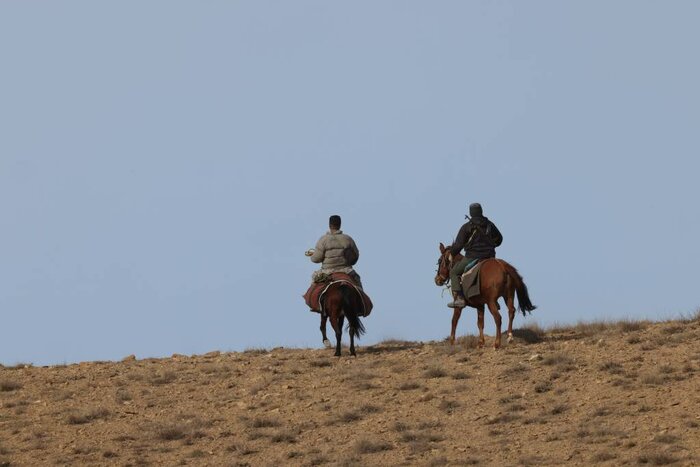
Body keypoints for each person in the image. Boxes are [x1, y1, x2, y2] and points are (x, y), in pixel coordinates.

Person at [447, 203, 503, 308]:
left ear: (471, 213)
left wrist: (452, 253)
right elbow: (499, 239)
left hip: (472, 257)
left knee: (454, 272)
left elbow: (458, 245)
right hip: (490, 256)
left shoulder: (466, 227)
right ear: (481, 211)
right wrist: (491, 245)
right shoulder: (490, 224)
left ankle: (459, 299)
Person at [305, 215, 363, 288]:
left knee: (313, 286)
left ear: (329, 225)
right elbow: (355, 258)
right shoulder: (348, 239)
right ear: (340, 224)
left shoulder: (323, 239)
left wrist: (312, 255)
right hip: (346, 271)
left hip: (327, 272)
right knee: (358, 286)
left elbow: (316, 259)